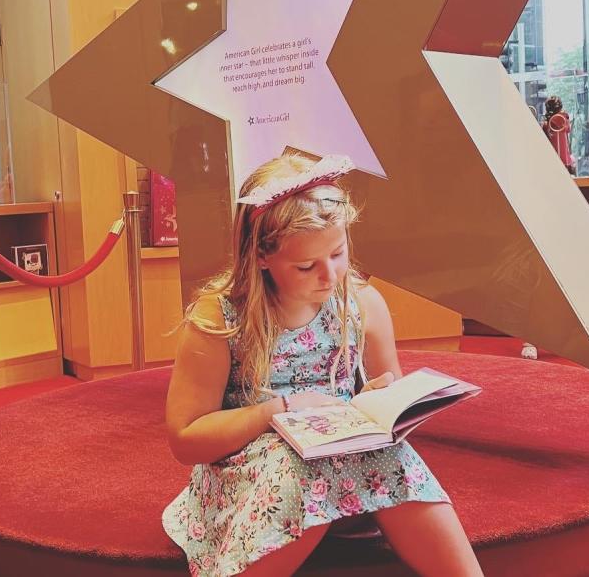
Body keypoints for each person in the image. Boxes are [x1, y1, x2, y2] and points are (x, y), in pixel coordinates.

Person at [162, 154, 484, 577]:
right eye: (306, 266)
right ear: (261, 256)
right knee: (303, 459)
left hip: (347, 468)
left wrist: (377, 403)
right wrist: (278, 410)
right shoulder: (219, 319)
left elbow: (391, 403)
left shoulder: (361, 303)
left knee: (393, 453)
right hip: (250, 477)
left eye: (338, 252)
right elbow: (186, 439)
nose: (330, 276)